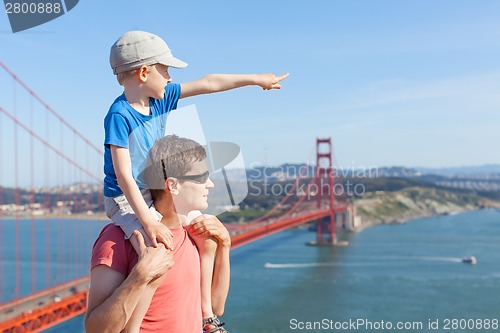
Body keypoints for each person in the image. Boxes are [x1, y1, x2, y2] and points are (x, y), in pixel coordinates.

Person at [102, 30, 288, 325]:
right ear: (143, 72)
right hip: (125, 200)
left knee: (206, 235)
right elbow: (123, 175)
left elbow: (209, 83)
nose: (169, 78)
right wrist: (148, 221)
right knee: (153, 255)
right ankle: (132, 328)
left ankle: (207, 316)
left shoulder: (159, 100)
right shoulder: (119, 115)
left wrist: (256, 79)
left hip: (152, 192)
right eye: (165, 71)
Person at [85, 135, 231, 333]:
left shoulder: (194, 234)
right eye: (201, 177)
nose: (210, 184)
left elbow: (215, 308)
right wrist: (139, 277)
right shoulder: (117, 239)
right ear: (172, 185)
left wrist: (225, 245)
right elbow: (95, 330)